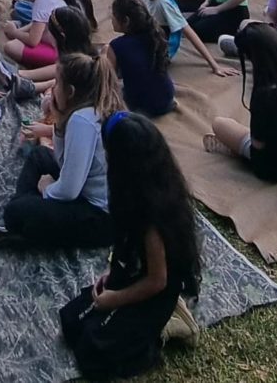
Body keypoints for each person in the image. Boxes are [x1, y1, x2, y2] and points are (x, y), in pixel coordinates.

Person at [59, 111, 202, 378]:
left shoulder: (152, 218)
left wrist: (116, 298)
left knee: (93, 351)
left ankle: (165, 328)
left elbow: (157, 280)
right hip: (134, 275)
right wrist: (112, 276)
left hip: (155, 292)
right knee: (71, 321)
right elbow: (130, 252)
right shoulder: (133, 196)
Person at [0, 53, 121, 251]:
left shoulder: (82, 121)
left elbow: (69, 189)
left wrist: (47, 189)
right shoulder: (86, 109)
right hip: (85, 190)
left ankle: (23, 229)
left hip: (100, 217)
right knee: (39, 155)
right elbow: (63, 160)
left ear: (71, 91)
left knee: (14, 212)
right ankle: (29, 214)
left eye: (57, 84)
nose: (51, 89)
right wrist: (58, 118)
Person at [204, 22, 277, 181]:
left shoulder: (264, 96)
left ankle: (233, 150)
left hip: (273, 169)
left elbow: (258, 145)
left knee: (220, 124)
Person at [137, 0, 232, 76]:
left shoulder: (164, 4)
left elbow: (188, 32)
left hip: (161, 52)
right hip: (150, 40)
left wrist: (214, 65)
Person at [107, 0, 175, 117]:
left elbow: (108, 82)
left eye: (113, 14)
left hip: (144, 106)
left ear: (126, 21)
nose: (110, 18)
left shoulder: (115, 46)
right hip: (167, 98)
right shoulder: (155, 35)